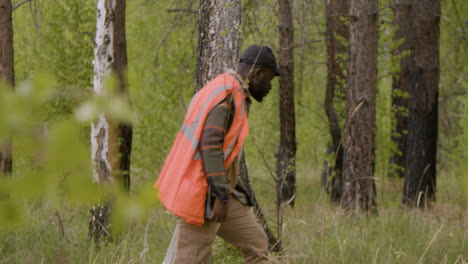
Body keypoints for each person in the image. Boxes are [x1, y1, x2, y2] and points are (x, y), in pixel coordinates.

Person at [155, 45, 283, 264]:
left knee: (256, 243)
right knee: (190, 259)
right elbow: (210, 145)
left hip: (216, 191)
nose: (270, 87)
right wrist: (221, 196)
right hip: (201, 193)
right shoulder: (227, 94)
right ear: (257, 72)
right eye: (269, 80)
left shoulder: (226, 89)